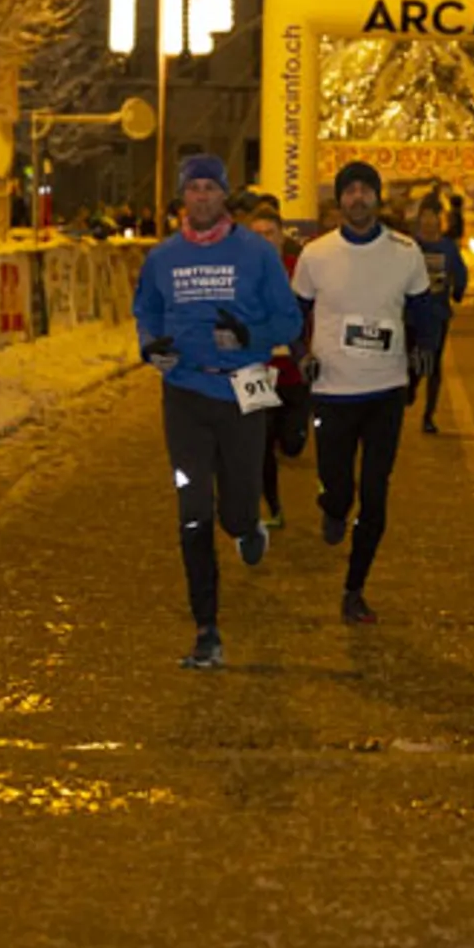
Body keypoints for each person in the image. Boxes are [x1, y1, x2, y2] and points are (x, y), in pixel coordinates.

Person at [133, 153, 301, 670]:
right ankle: (206, 628)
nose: (202, 196)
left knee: (236, 509)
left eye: (210, 187)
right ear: (183, 196)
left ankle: (248, 527)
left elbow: (290, 322)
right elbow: (146, 312)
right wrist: (151, 348)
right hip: (185, 393)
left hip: (246, 387)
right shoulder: (163, 257)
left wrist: (251, 336)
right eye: (193, 188)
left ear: (224, 195)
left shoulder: (257, 253)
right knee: (193, 512)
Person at [295, 159, 433, 622]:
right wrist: (300, 354)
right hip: (332, 391)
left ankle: (354, 588)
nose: (358, 198)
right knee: (339, 489)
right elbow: (296, 313)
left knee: (375, 494)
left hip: (385, 391)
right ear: (339, 200)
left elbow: (422, 312)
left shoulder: (405, 252)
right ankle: (333, 507)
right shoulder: (316, 255)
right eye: (350, 191)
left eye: (365, 190)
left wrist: (422, 353)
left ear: (377, 197)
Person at [245, 203, 309, 528]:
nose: (264, 240)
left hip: (294, 371)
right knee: (260, 444)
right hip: (254, 370)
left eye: (269, 233)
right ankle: (272, 507)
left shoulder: (300, 269)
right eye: (257, 234)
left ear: (282, 236)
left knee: (292, 443)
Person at [408, 192, 468, 433]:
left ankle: (429, 415)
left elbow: (460, 271)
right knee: (413, 361)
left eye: (433, 216)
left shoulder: (447, 247)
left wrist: (458, 291)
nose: (428, 221)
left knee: (433, 364)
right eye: (424, 216)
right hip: (411, 314)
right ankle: (411, 385)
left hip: (437, 314)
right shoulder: (411, 246)